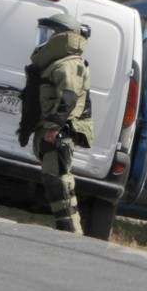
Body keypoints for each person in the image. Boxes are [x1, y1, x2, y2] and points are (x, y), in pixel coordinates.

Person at [26, 14, 94, 234]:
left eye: (48, 35)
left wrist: (55, 127)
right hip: (51, 132)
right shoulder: (58, 63)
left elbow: (69, 97)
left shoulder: (69, 64)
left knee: (60, 183)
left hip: (59, 133)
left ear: (62, 38)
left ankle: (71, 233)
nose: (42, 40)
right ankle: (66, 229)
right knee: (54, 181)